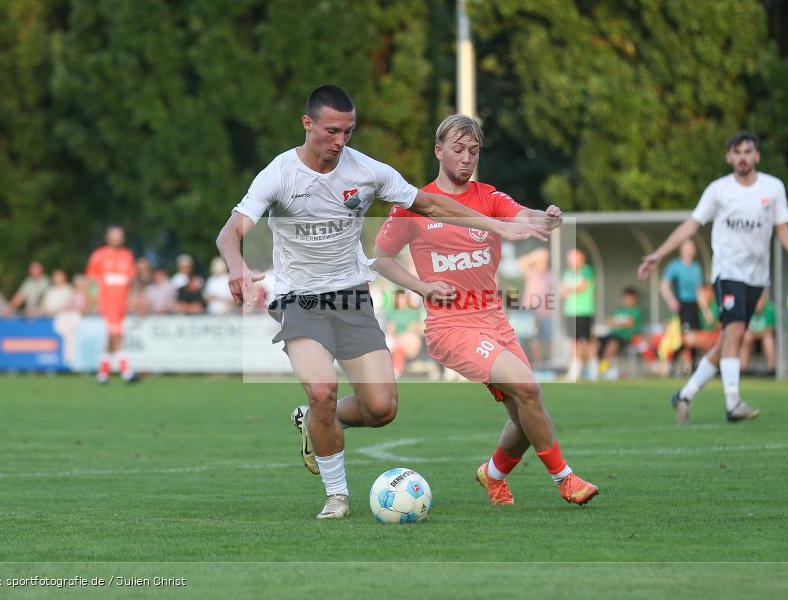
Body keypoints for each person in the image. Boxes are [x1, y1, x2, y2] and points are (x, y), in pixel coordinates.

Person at [215, 86, 547, 520]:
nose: (340, 140)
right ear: (307, 124)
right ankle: (336, 495)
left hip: (352, 297)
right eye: (332, 131)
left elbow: (429, 204)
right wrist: (236, 266)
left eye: (348, 131)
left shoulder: (367, 171)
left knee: (381, 408)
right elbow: (230, 231)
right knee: (323, 390)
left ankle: (312, 419)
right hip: (300, 300)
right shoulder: (279, 174)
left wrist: (497, 227)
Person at [374, 114, 598, 507]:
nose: (466, 158)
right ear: (438, 150)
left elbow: (523, 215)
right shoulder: (415, 205)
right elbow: (381, 258)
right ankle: (565, 479)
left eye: (473, 151)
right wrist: (424, 287)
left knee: (526, 411)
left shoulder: (490, 197)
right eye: (458, 149)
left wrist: (546, 218)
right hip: (451, 327)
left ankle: (492, 475)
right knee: (529, 390)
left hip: (493, 320)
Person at [638, 131, 788, 424]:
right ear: (729, 157)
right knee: (735, 332)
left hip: (756, 276)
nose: (742, 157)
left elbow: (782, 228)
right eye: (737, 152)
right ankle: (732, 402)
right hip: (728, 272)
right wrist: (659, 253)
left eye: (748, 151)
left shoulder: (773, 188)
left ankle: (684, 394)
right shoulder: (718, 190)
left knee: (729, 338)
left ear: (756, 156)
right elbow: (691, 225)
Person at [86, 225, 137, 384]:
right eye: (113, 235)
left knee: (113, 335)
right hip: (106, 302)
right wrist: (92, 300)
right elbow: (92, 280)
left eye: (119, 235)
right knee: (115, 334)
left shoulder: (127, 255)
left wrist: (133, 299)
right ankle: (125, 370)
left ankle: (103, 372)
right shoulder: (99, 255)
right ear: (107, 237)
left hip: (122, 302)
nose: (116, 238)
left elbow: (131, 280)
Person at [660, 239, 703, 373]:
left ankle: (692, 366)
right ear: (681, 249)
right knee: (685, 338)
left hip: (694, 306)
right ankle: (676, 363)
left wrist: (706, 310)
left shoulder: (696, 267)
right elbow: (663, 285)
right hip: (682, 305)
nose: (689, 250)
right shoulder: (675, 266)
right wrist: (671, 300)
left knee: (695, 339)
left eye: (691, 247)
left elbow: (699, 290)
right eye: (687, 247)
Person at [560, 249, 597, 381]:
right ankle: (575, 371)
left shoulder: (586, 271)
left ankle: (593, 370)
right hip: (570, 312)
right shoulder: (567, 273)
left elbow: (583, 287)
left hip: (584, 311)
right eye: (570, 259)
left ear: (581, 259)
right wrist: (569, 289)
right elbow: (562, 292)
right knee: (574, 342)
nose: (572, 262)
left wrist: (569, 288)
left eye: (575, 259)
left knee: (587, 341)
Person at [518, 247, 554, 368]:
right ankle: (534, 365)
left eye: (545, 260)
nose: (543, 263)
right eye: (541, 261)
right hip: (529, 312)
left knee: (547, 341)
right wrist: (535, 255)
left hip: (546, 313)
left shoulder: (550, 274)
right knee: (532, 341)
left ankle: (547, 365)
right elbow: (521, 263)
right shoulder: (531, 272)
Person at [598, 287, 643, 380]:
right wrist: (621, 323)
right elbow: (607, 320)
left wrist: (615, 323)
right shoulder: (618, 311)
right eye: (626, 299)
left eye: (631, 299)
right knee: (595, 344)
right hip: (612, 335)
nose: (628, 301)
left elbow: (630, 323)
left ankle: (602, 371)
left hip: (625, 338)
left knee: (611, 345)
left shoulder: (636, 311)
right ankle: (594, 369)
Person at [740, 292, 775, 375]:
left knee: (768, 339)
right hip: (750, 340)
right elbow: (743, 328)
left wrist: (754, 334)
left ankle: (772, 369)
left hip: (763, 338)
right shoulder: (747, 310)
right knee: (746, 338)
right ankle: (743, 370)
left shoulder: (769, 309)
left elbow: (769, 330)